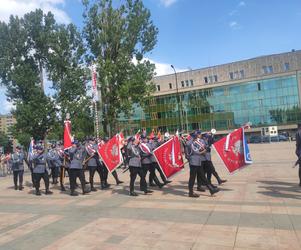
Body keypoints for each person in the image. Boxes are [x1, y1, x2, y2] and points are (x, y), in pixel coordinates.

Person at [188, 132, 219, 197]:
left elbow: (201, 147)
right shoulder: (190, 143)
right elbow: (195, 152)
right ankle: (190, 192)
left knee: (203, 176)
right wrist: (203, 151)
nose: (198, 137)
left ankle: (211, 189)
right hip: (193, 163)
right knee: (192, 178)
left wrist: (206, 148)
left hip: (198, 162)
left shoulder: (195, 142)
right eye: (196, 136)